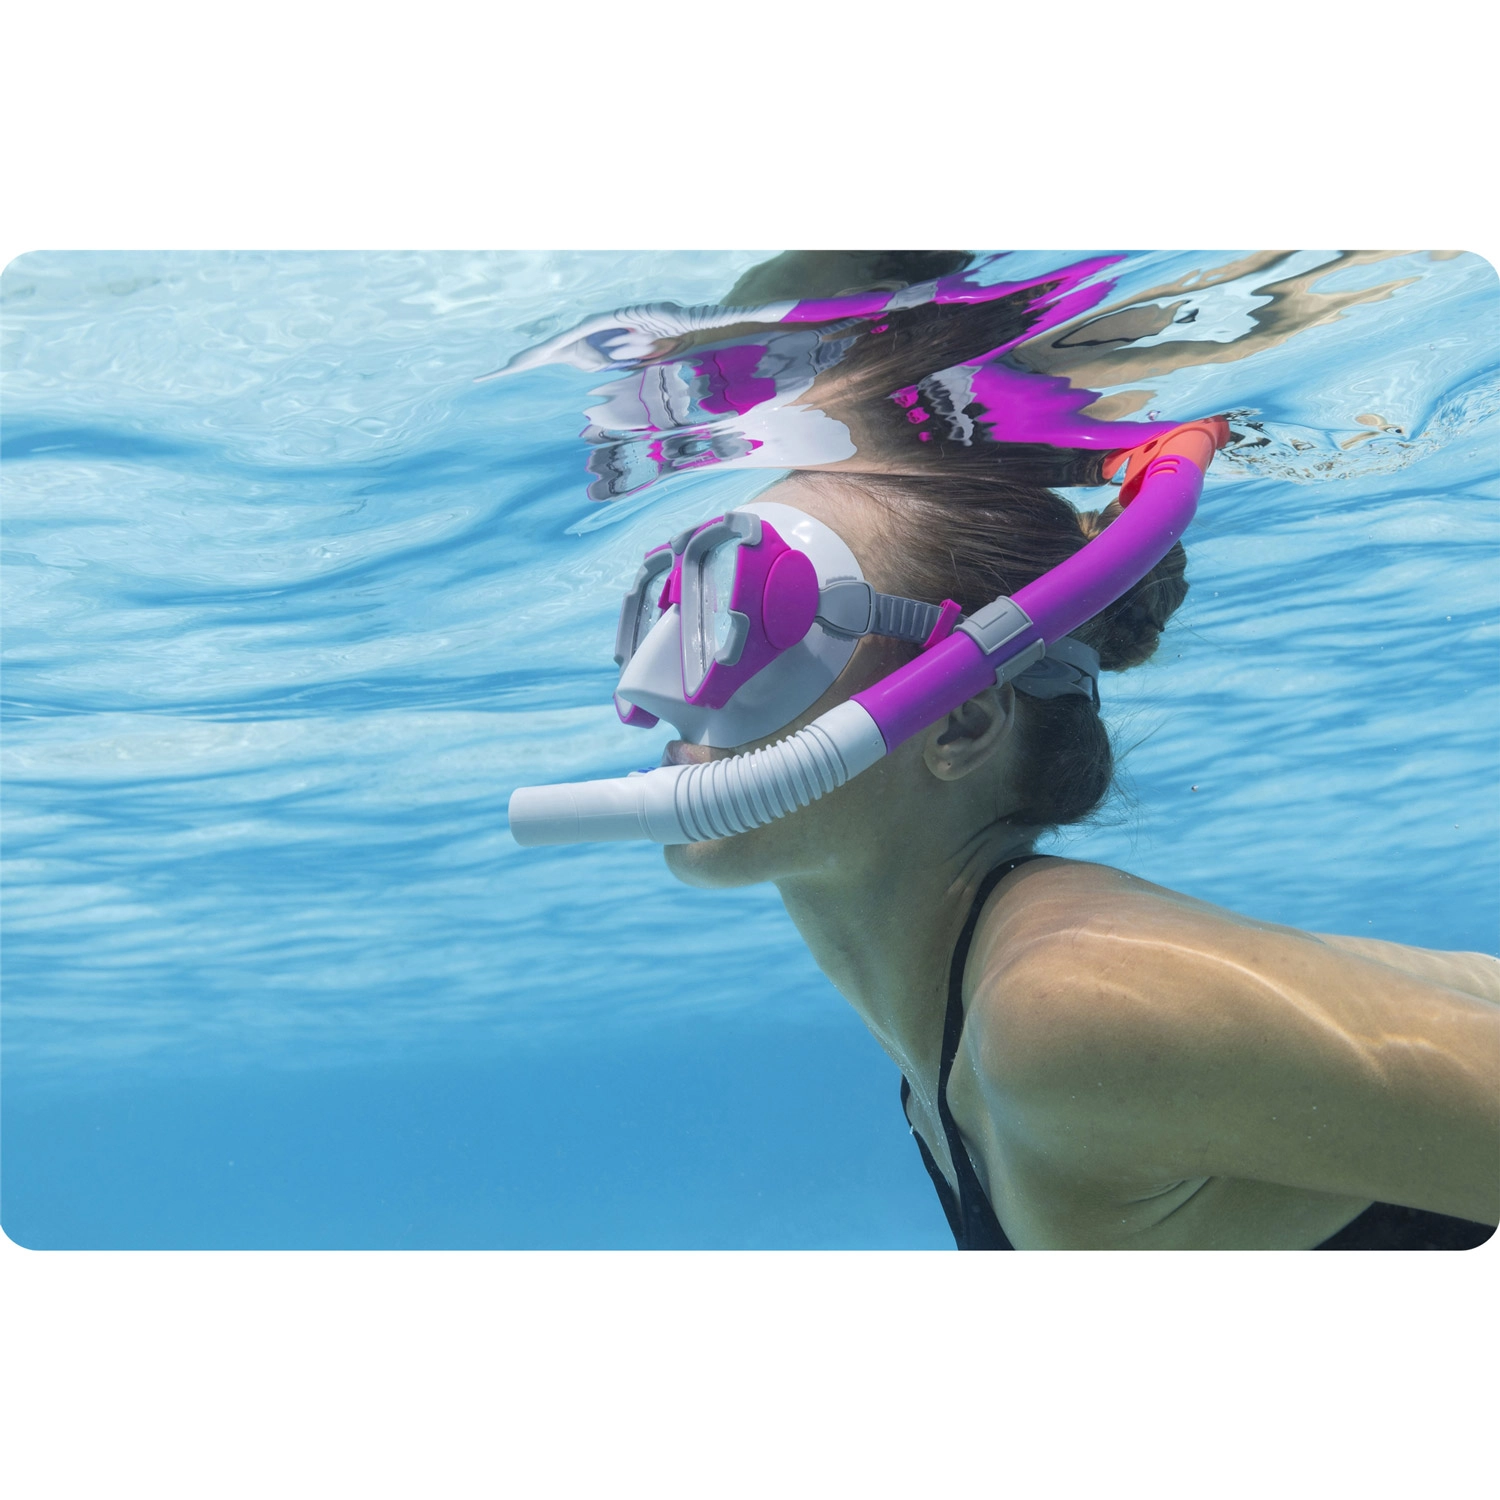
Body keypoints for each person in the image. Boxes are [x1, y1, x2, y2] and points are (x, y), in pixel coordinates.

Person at [507, 251, 1500, 1249]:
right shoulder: (967, 1027)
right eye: (677, 602)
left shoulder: (1063, 1012)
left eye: (748, 610)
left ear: (962, 722)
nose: (663, 680)